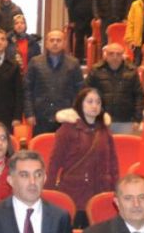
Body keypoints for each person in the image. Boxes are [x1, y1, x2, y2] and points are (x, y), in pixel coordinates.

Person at [47, 87, 119, 224]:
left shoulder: (104, 130)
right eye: (90, 101)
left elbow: (113, 163)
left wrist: (116, 189)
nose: (94, 105)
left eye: (98, 102)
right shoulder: (67, 129)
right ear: (80, 104)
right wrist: (49, 192)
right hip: (74, 191)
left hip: (100, 190)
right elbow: (54, 162)